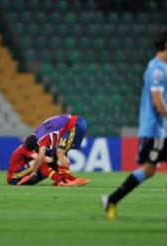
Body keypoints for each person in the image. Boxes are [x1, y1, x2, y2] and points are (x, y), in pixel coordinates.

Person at [102, 31, 167, 220]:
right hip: (156, 130)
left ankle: (111, 200)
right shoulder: (156, 69)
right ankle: (112, 200)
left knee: (149, 169)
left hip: (162, 130)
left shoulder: (163, 67)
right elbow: (157, 101)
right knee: (149, 169)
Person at [17, 114, 91, 186]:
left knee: (60, 152)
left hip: (75, 125)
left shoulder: (41, 139)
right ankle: (65, 178)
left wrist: (34, 172)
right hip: (75, 123)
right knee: (61, 152)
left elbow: (41, 157)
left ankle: (67, 179)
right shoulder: (38, 132)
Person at [7, 135, 85, 186]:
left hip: (22, 173)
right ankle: (61, 181)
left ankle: (64, 179)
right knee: (38, 162)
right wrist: (55, 159)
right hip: (13, 178)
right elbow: (41, 158)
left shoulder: (27, 146)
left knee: (43, 165)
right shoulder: (25, 148)